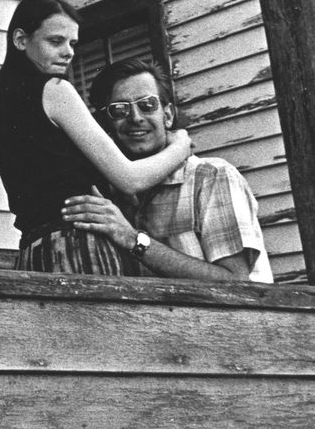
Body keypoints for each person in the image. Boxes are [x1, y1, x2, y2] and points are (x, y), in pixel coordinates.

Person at [0, 0, 192, 274]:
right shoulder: (55, 90)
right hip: (79, 248)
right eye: (55, 41)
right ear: (21, 40)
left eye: (73, 43)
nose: (69, 52)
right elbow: (130, 178)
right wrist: (181, 144)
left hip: (35, 254)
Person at [62, 58, 272, 283]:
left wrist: (133, 239)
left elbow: (235, 282)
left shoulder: (211, 176)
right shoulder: (112, 193)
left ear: (168, 115)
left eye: (147, 105)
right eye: (120, 110)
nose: (135, 118)